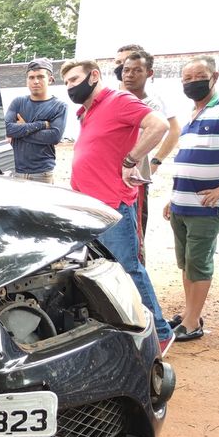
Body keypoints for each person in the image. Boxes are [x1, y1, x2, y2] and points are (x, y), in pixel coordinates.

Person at [60, 59, 174, 351]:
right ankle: (125, 328)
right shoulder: (86, 111)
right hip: (89, 206)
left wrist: (131, 158)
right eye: (67, 83)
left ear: (94, 75)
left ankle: (159, 333)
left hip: (113, 205)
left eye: (74, 80)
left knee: (128, 269)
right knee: (102, 272)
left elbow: (158, 125)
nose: (70, 87)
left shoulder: (118, 100)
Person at [163, 56, 219, 342]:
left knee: (199, 263)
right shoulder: (192, 114)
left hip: (207, 208)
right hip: (181, 205)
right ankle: (189, 312)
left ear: (214, 76)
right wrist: (172, 198)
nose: (192, 82)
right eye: (187, 78)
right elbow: (187, 162)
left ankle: (192, 323)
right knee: (186, 263)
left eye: (199, 76)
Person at [120, 49, 181, 259]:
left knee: (134, 232)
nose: (129, 74)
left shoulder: (152, 105)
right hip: (106, 176)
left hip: (133, 179)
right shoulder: (112, 98)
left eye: (137, 70)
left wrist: (155, 162)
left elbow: (171, 130)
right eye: (126, 69)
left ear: (149, 73)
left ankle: (137, 276)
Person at [5, 58, 67, 183]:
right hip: (16, 171)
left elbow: (54, 137)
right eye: (31, 77)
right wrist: (41, 124)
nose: (36, 81)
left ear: (50, 79)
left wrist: (21, 131)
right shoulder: (18, 102)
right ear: (27, 80)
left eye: (40, 77)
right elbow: (7, 128)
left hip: (42, 174)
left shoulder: (59, 106)